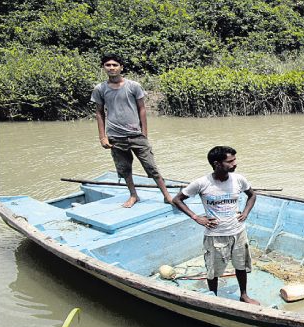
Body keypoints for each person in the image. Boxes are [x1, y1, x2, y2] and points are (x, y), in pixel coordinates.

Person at [172, 146, 260, 305]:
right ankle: (213, 297)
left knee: (241, 265)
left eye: (235, 160)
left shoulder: (239, 179)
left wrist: (246, 212)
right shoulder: (202, 183)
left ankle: (244, 295)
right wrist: (196, 217)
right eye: (230, 161)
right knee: (213, 271)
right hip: (215, 235)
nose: (235, 164)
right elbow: (177, 200)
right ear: (217, 164)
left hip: (238, 232)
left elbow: (252, 195)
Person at [91, 53, 172, 208]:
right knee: (125, 169)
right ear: (103, 68)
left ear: (121, 67)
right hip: (115, 136)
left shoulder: (133, 86)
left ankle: (167, 196)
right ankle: (133, 195)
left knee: (152, 167)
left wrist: (144, 134)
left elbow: (142, 109)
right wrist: (102, 137)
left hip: (136, 134)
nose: (111, 68)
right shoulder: (100, 89)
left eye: (115, 65)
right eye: (108, 65)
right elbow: (99, 112)